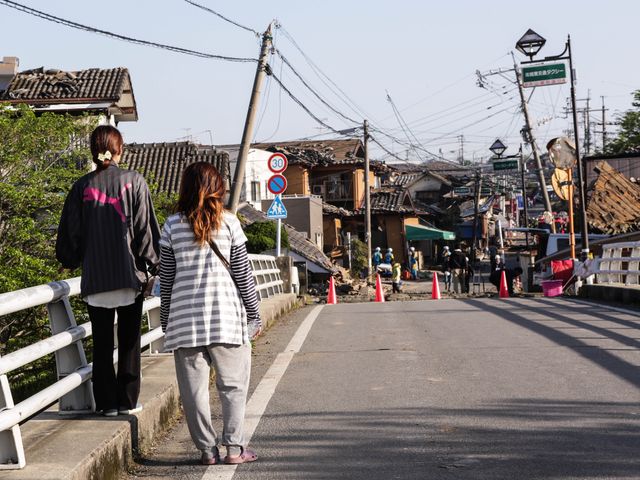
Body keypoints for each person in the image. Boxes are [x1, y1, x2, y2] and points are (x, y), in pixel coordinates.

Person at [159, 162, 261, 466]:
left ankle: (206, 451)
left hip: (185, 320)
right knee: (233, 387)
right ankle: (234, 449)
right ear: (218, 188)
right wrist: (254, 313)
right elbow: (243, 274)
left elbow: (167, 277)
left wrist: (166, 319)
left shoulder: (171, 225)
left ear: (186, 188)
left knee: (194, 392)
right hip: (227, 319)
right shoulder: (229, 223)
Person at [56, 125, 160, 417]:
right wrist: (152, 266)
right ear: (119, 150)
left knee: (102, 345)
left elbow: (71, 235)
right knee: (129, 344)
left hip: (96, 278)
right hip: (129, 277)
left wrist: (69, 258)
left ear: (93, 151)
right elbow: (145, 232)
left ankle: (106, 404)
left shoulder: (81, 187)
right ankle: (127, 401)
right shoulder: (134, 181)